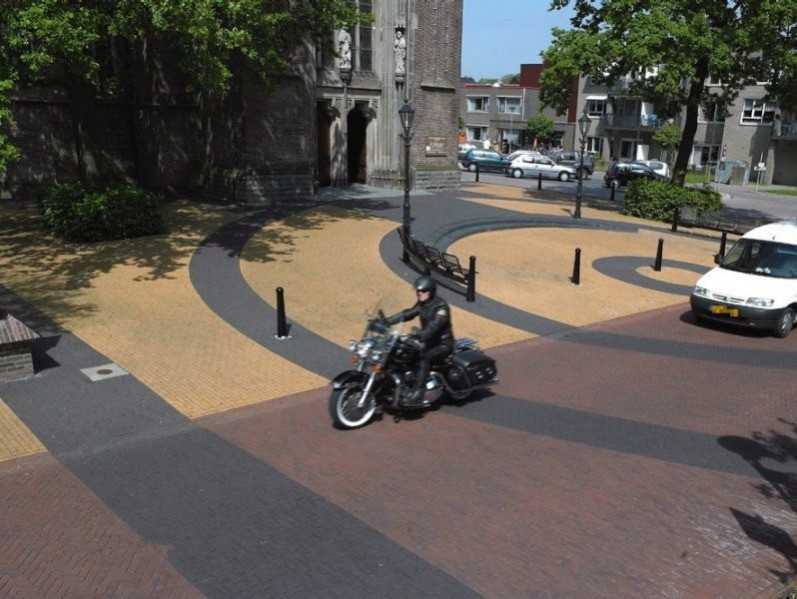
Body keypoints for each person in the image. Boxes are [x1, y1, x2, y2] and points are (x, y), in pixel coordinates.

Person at [386, 275, 454, 407]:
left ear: (431, 291)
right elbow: (407, 314)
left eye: (423, 291)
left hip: (443, 344)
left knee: (425, 357)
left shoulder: (441, 308)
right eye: (418, 291)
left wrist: (418, 335)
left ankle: (418, 394)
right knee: (402, 353)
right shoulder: (422, 304)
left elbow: (434, 327)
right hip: (428, 342)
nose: (419, 293)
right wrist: (387, 321)